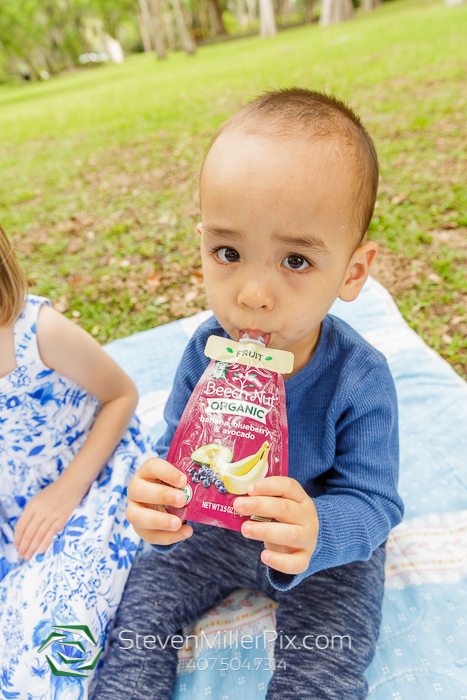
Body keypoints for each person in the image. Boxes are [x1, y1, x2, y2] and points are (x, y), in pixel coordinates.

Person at [91, 88, 404, 700]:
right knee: (136, 625)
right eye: (228, 253)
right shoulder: (204, 354)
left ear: (353, 272)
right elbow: (175, 453)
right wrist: (158, 498)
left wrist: (318, 529)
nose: (253, 295)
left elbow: (375, 502)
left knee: (325, 665)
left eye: (295, 261)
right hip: (211, 533)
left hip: (317, 552)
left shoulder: (359, 377)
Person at [0, 223, 156, 698]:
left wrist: (67, 490)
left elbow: (122, 395)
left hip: (90, 475)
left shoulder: (36, 332)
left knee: (57, 628)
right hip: (12, 502)